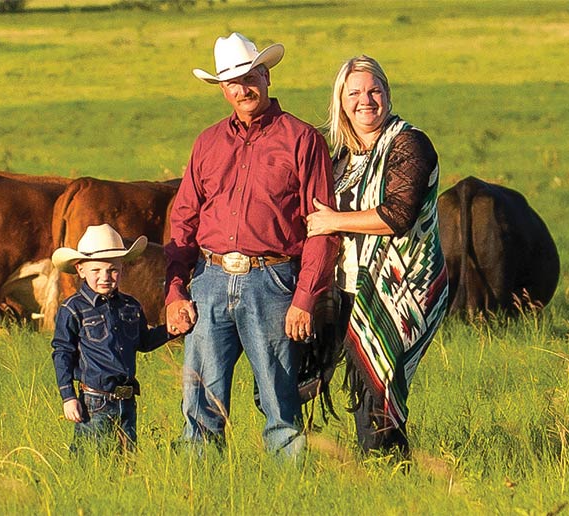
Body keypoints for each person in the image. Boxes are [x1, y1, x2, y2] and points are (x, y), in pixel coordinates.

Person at [164, 32, 340, 457]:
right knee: (199, 403)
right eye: (232, 82)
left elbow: (322, 227)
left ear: (266, 75)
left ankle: (291, 495)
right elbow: (183, 220)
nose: (243, 89)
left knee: (281, 403)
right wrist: (173, 291)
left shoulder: (302, 140)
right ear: (222, 90)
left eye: (250, 76)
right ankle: (195, 492)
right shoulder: (207, 142)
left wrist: (304, 298)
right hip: (208, 278)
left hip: (274, 280)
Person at [306, 55, 449, 456]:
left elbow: (398, 215)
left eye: (374, 91)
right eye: (354, 93)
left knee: (378, 387)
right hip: (349, 285)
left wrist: (335, 220)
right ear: (341, 100)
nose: (365, 100)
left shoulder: (409, 143)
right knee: (354, 384)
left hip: (401, 288)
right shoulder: (342, 158)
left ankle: (389, 470)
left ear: (387, 94)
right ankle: (379, 469)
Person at [51, 224, 176, 453]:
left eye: (112, 270)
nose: (105, 277)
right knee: (90, 458)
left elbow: (144, 342)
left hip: (127, 400)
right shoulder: (72, 309)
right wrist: (68, 396)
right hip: (94, 402)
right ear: (80, 270)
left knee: (126, 459)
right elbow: (62, 353)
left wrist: (172, 329)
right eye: (96, 270)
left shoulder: (130, 306)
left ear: (122, 268)